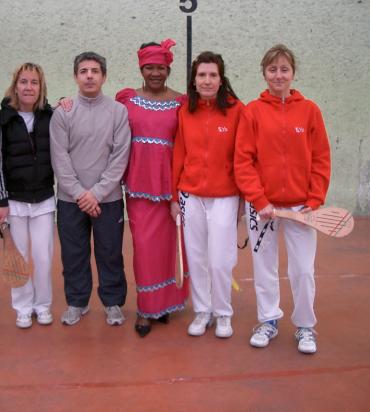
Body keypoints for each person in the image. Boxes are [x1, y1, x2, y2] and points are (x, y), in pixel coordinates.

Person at [234, 44, 331, 354]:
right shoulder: (253, 111)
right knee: (264, 268)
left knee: (303, 269)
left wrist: (314, 200)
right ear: (264, 73)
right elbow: (243, 161)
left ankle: (305, 326)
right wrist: (259, 200)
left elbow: (321, 158)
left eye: (284, 69)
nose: (278, 75)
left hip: (302, 208)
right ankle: (268, 320)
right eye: (272, 69)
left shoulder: (310, 110)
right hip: (262, 208)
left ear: (293, 73)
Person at [50, 51, 131, 326]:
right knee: (73, 254)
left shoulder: (118, 112)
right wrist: (79, 194)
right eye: (83, 71)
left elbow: (120, 157)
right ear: (75, 76)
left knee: (110, 253)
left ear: (104, 76)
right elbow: (60, 158)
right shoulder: (63, 113)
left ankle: (112, 303)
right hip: (70, 200)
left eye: (95, 71)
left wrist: (95, 193)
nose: (89, 76)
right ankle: (77, 302)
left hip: (106, 200)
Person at [115, 39, 189, 337]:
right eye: (149, 67)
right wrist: (67, 103)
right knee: (144, 249)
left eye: (160, 67)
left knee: (169, 249)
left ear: (168, 68)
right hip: (138, 187)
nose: (155, 72)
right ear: (141, 69)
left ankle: (165, 305)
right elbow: (103, 115)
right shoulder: (127, 99)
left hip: (170, 188)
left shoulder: (182, 102)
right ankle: (146, 309)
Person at [171, 51, 244, 339]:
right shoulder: (185, 111)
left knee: (220, 259)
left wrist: (243, 199)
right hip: (190, 196)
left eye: (213, 74)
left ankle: (223, 312)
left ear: (221, 78)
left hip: (225, 196)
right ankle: (202, 310)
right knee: (197, 256)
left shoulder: (238, 111)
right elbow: (179, 155)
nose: (207, 80)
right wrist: (174, 197)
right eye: (202, 75)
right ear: (194, 79)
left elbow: (244, 157)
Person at [0, 63, 55, 329]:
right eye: (24, 82)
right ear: (15, 85)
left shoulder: (49, 116)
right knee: (17, 259)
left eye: (34, 82)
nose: (29, 87)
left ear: (41, 87)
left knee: (42, 257)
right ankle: (22, 306)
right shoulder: (2, 118)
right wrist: (1, 199)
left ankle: (43, 305)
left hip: (43, 199)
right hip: (14, 201)